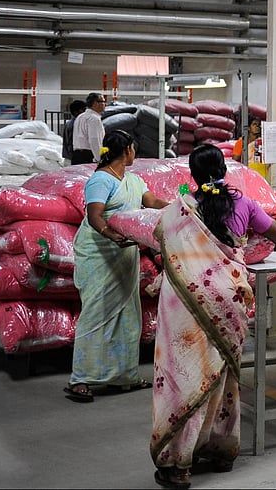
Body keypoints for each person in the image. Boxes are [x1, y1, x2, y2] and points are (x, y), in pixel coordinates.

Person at [149, 144, 276, 490]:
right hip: (230, 296)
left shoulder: (179, 210)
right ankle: (220, 451)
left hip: (186, 300)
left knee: (184, 375)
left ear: (192, 177)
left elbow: (162, 243)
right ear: (224, 171)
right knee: (224, 373)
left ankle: (178, 464)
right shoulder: (244, 204)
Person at [64, 129, 169, 403]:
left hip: (124, 253)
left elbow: (153, 203)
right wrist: (111, 235)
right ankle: (80, 379)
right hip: (100, 252)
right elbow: (95, 215)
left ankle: (122, 376)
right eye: (134, 148)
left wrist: (180, 208)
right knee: (96, 313)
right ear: (128, 150)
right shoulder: (100, 180)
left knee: (127, 315)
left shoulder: (134, 180)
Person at [71, 92, 107, 164]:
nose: (105, 104)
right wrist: (99, 159)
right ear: (95, 103)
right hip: (89, 156)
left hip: (76, 156)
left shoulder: (80, 116)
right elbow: (94, 140)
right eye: (103, 101)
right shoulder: (94, 119)